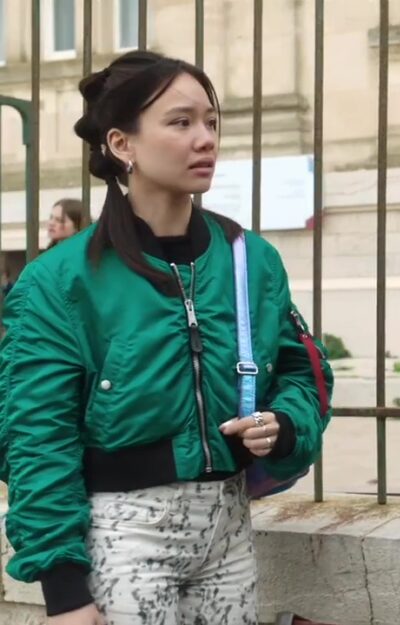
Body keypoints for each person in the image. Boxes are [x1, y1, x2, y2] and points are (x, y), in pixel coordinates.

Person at [0, 50, 333, 625]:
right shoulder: (60, 280)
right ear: (121, 144)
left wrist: (284, 424)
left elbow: (305, 372)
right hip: (120, 536)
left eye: (211, 121)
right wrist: (64, 590)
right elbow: (35, 435)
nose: (205, 139)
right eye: (180, 122)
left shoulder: (250, 258)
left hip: (229, 534)